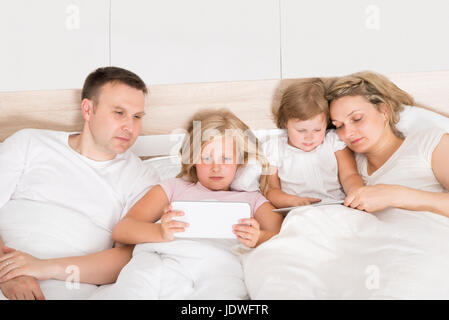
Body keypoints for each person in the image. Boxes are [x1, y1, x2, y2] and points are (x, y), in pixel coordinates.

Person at [0, 66, 159, 300]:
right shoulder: (29, 143)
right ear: (88, 109)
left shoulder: (143, 178)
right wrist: (10, 274)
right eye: (119, 113)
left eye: (137, 117)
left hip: (68, 285)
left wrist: (43, 267)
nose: (130, 127)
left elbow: (126, 258)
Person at [89, 109, 284, 299]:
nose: (215, 167)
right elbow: (122, 230)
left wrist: (258, 237)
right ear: (193, 159)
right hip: (163, 259)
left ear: (240, 162)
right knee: (137, 285)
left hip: (220, 267)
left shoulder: (252, 199)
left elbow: (284, 237)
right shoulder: (173, 188)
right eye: (206, 158)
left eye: (225, 159)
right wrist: (160, 232)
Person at [326, 71, 449, 216]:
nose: (347, 133)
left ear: (384, 111)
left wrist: (394, 195)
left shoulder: (428, 143)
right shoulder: (349, 168)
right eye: (339, 126)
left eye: (357, 118)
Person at [265, 78, 365, 209]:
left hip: (336, 206)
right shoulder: (274, 149)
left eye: (317, 130)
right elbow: (271, 190)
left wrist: (356, 192)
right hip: (299, 210)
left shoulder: (334, 142)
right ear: (285, 122)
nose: (309, 137)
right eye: (301, 130)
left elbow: (350, 174)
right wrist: (292, 201)